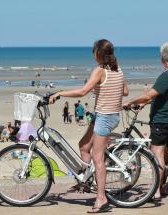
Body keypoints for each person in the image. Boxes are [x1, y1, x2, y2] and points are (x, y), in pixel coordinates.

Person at [49, 39, 128, 213]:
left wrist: (60, 93)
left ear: (98, 53)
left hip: (105, 117)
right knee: (84, 146)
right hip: (106, 115)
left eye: (94, 51)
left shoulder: (100, 70)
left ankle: (101, 197)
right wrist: (108, 91)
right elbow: (125, 92)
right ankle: (84, 182)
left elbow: (83, 91)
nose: (93, 55)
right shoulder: (118, 69)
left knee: (97, 158)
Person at [123, 42, 168, 201]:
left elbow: (149, 94)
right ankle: (163, 186)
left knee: (156, 154)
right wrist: (144, 103)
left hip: (162, 121)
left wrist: (130, 101)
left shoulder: (167, 75)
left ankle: (156, 190)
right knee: (164, 153)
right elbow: (165, 97)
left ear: (162, 58)